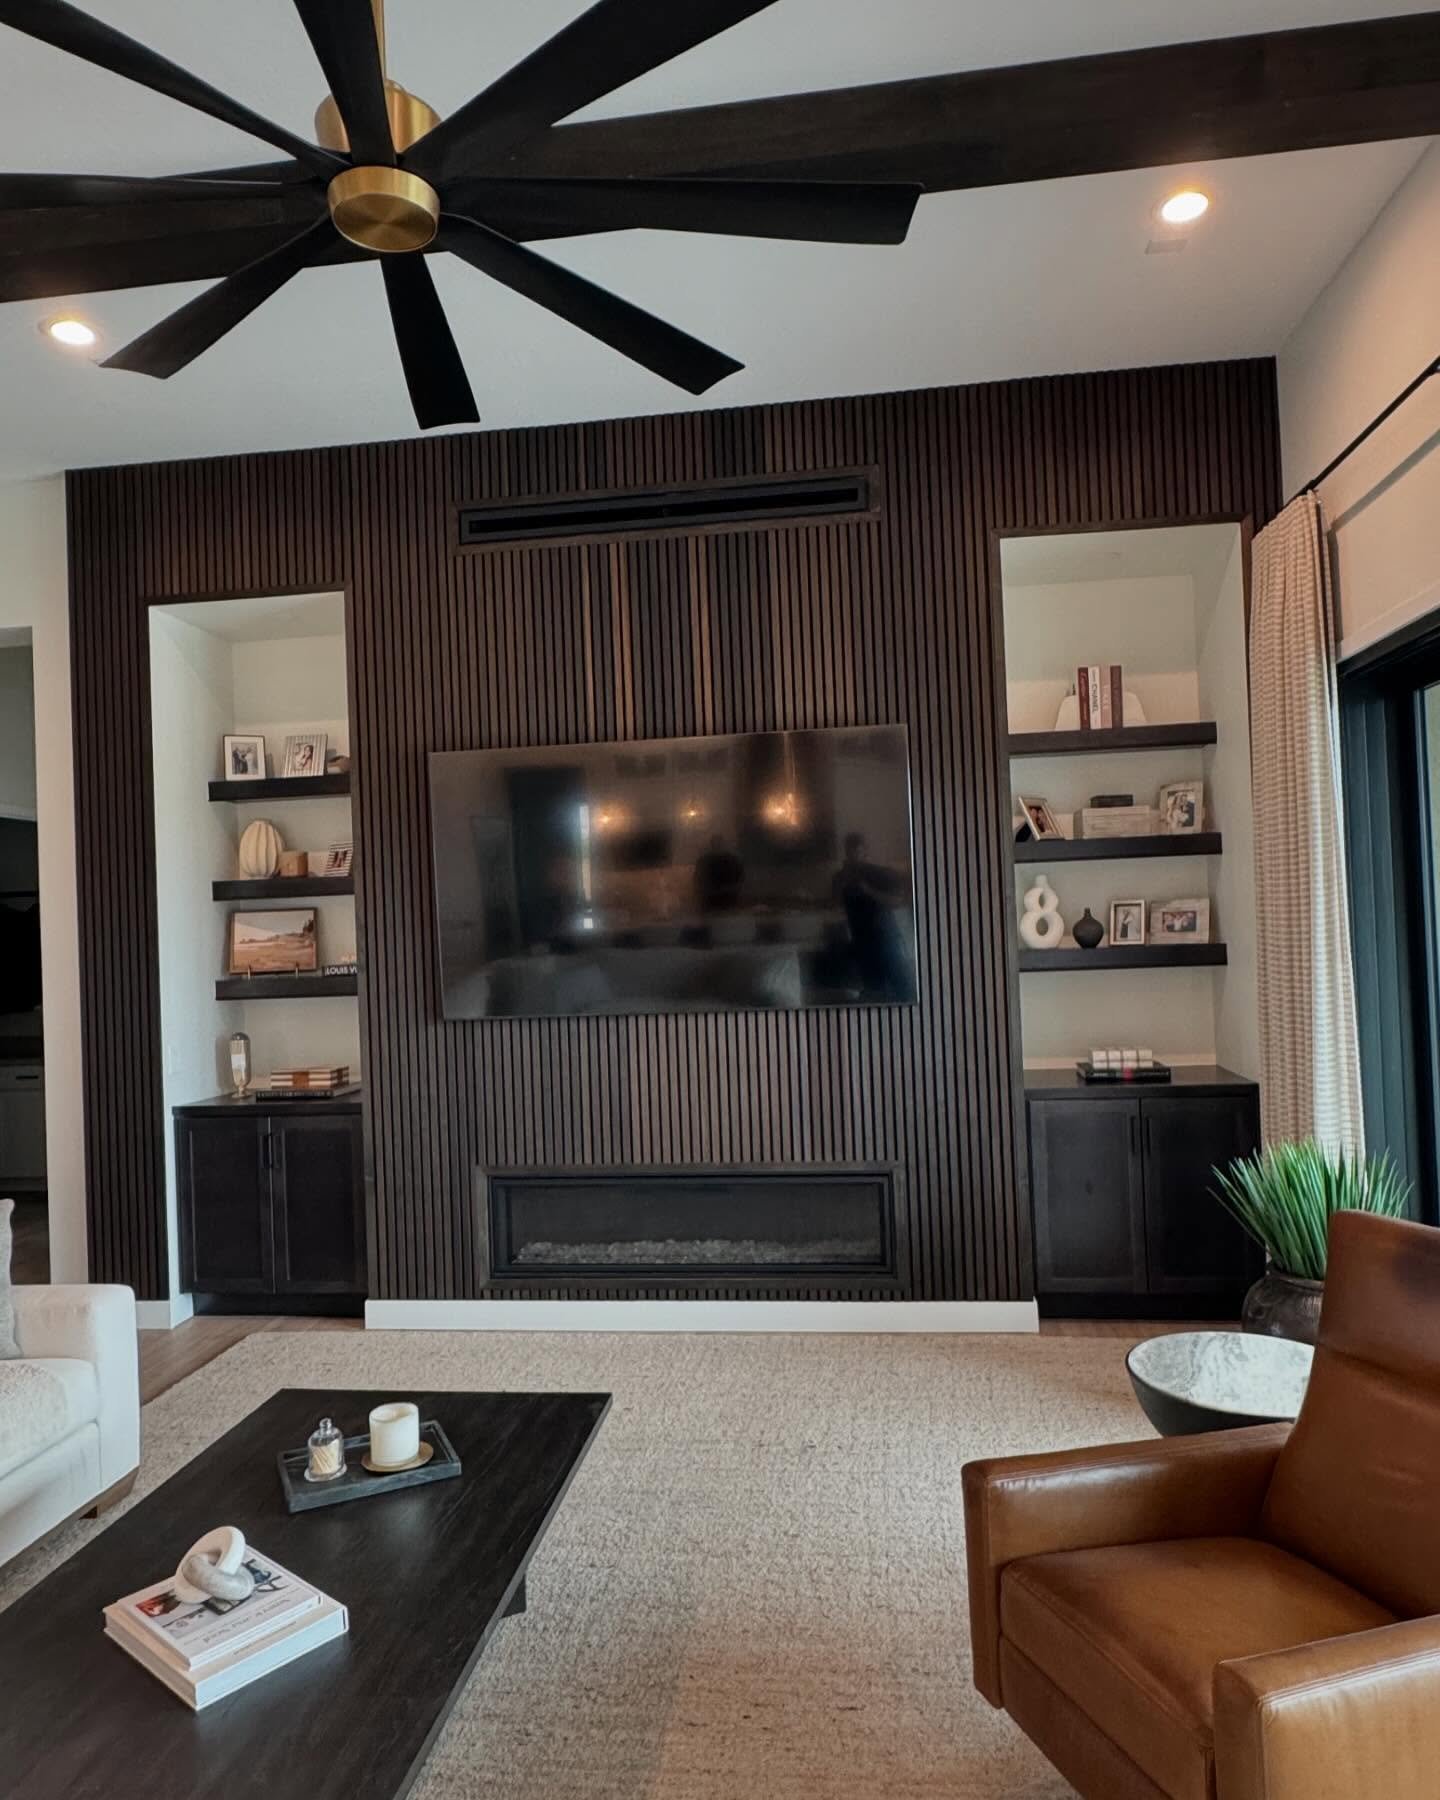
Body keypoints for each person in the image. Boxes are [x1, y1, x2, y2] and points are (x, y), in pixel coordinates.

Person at [831, 833, 915, 1001]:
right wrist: (844, 884)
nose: (856, 857)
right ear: (846, 853)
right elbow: (835, 903)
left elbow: (897, 901)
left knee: (901, 986)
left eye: (859, 852)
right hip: (861, 939)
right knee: (873, 989)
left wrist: (869, 891)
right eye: (851, 853)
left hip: (885, 936)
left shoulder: (880, 873)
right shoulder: (840, 877)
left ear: (865, 852)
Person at [693, 834, 745, 912]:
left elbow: (740, 878)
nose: (717, 846)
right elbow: (697, 880)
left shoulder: (704, 861)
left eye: (718, 844)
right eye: (716, 844)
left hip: (721, 899)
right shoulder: (731, 860)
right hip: (719, 899)